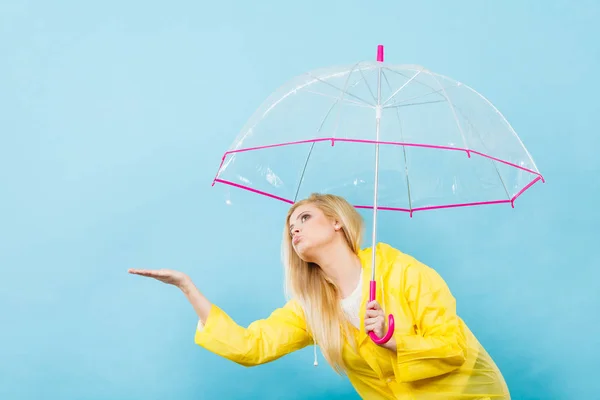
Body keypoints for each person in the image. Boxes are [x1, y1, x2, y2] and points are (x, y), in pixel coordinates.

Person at [129, 193, 510, 399]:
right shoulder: (312, 309)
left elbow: (453, 347)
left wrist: (394, 340)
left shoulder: (402, 272)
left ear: (336, 222)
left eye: (305, 217)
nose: (294, 228)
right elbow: (251, 346)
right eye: (290, 226)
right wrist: (187, 287)